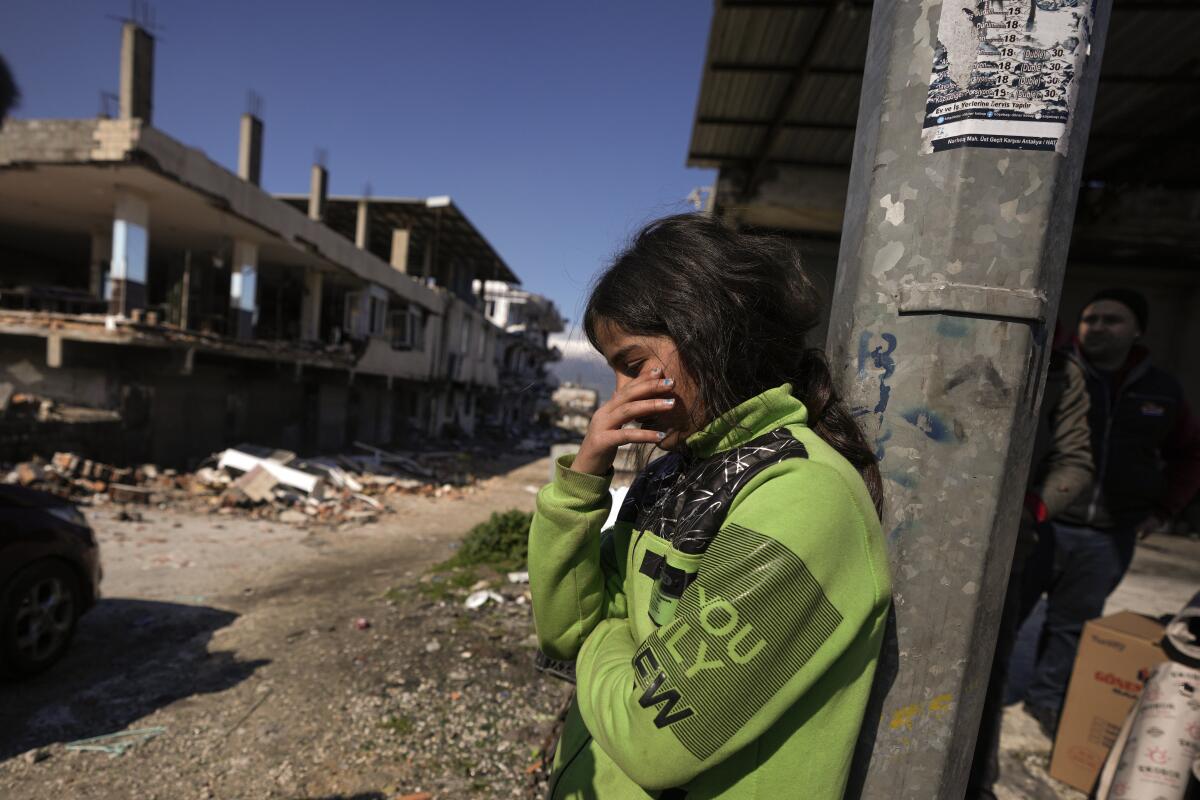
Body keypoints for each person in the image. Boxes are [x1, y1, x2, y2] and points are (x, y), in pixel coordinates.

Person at [528, 214, 892, 799]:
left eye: (632, 362)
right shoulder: (675, 473)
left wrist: (606, 633)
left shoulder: (804, 496)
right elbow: (562, 627)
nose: (622, 396)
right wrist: (582, 482)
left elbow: (652, 738)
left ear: (709, 329)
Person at [1021, 288, 1200, 733]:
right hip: (1044, 523)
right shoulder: (1055, 373)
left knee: (1071, 625)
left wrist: (1164, 509)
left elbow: (1190, 453)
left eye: (1111, 320)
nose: (1097, 327)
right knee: (1010, 615)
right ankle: (988, 696)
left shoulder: (1162, 390)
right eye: (1091, 319)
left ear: (1137, 329)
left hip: (1108, 534)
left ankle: (1044, 704)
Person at [967, 338, 1093, 799]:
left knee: (986, 672)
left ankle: (977, 783)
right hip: (900, 542)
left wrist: (1030, 511)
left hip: (1005, 553)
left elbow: (1075, 460)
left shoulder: (1058, 365)